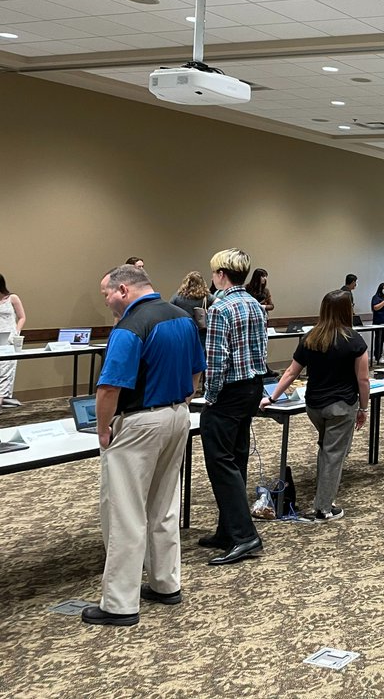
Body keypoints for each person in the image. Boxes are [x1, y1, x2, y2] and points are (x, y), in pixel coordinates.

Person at [82, 264, 205, 626]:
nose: (106, 301)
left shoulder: (130, 326)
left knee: (124, 512)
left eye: (106, 294)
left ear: (123, 290)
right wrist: (182, 399)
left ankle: (120, 603)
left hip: (139, 422)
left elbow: (108, 388)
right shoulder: (181, 317)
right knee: (164, 505)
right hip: (178, 415)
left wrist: (103, 430)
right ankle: (166, 583)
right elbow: (197, 370)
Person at [265, 289, 368, 521]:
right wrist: (363, 408)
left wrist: (272, 398)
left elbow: (291, 372)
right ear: (347, 310)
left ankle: (324, 496)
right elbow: (363, 379)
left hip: (314, 406)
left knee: (327, 448)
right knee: (334, 454)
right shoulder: (354, 340)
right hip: (341, 406)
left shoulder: (310, 338)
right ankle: (323, 508)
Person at [199, 248, 269, 565]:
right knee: (236, 457)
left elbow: (216, 361)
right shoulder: (255, 304)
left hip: (227, 392)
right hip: (252, 388)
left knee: (220, 463)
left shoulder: (220, 308)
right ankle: (227, 529)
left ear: (221, 275)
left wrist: (209, 397)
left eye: (214, 273)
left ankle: (244, 535)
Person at [0, 273, 27, 407]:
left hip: (9, 339)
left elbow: (22, 317)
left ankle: (2, 397)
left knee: (6, 370)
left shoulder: (12, 298)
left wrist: (16, 332)